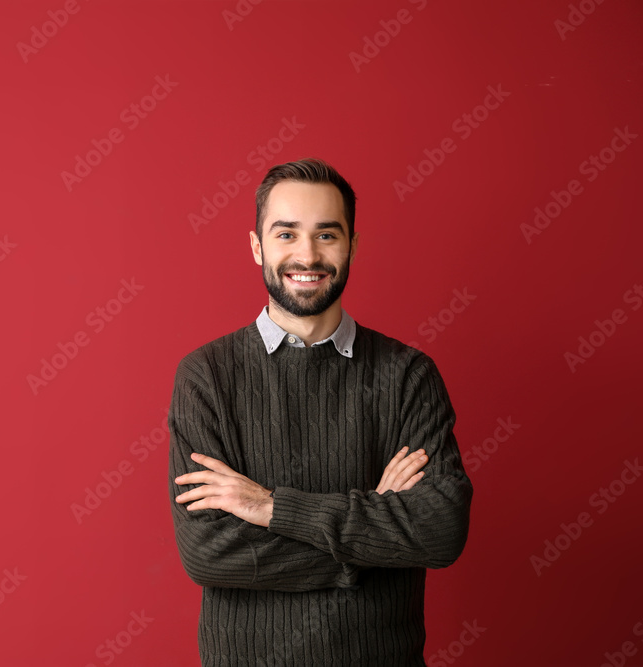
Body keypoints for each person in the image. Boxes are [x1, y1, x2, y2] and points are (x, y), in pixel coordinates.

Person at [167, 157, 473, 666]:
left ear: (352, 244)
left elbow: (439, 530)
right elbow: (209, 552)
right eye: (286, 234)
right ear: (257, 246)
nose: (306, 254)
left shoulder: (408, 375)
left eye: (327, 235)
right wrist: (370, 541)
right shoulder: (206, 376)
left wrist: (270, 509)